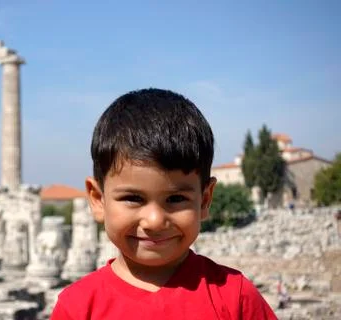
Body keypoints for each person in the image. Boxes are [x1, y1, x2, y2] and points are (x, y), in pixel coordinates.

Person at [51, 88, 277, 319]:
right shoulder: (77, 307)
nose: (155, 221)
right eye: (133, 198)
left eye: (176, 199)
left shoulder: (235, 297)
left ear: (205, 200)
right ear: (98, 200)